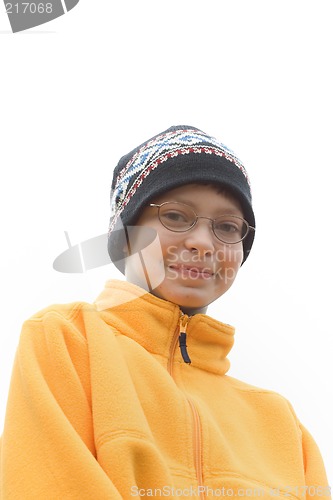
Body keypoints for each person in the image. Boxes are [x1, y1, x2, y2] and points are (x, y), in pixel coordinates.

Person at [0, 125, 330, 499]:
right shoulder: (68, 340)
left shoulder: (284, 426)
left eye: (226, 226)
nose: (203, 243)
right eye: (175, 216)